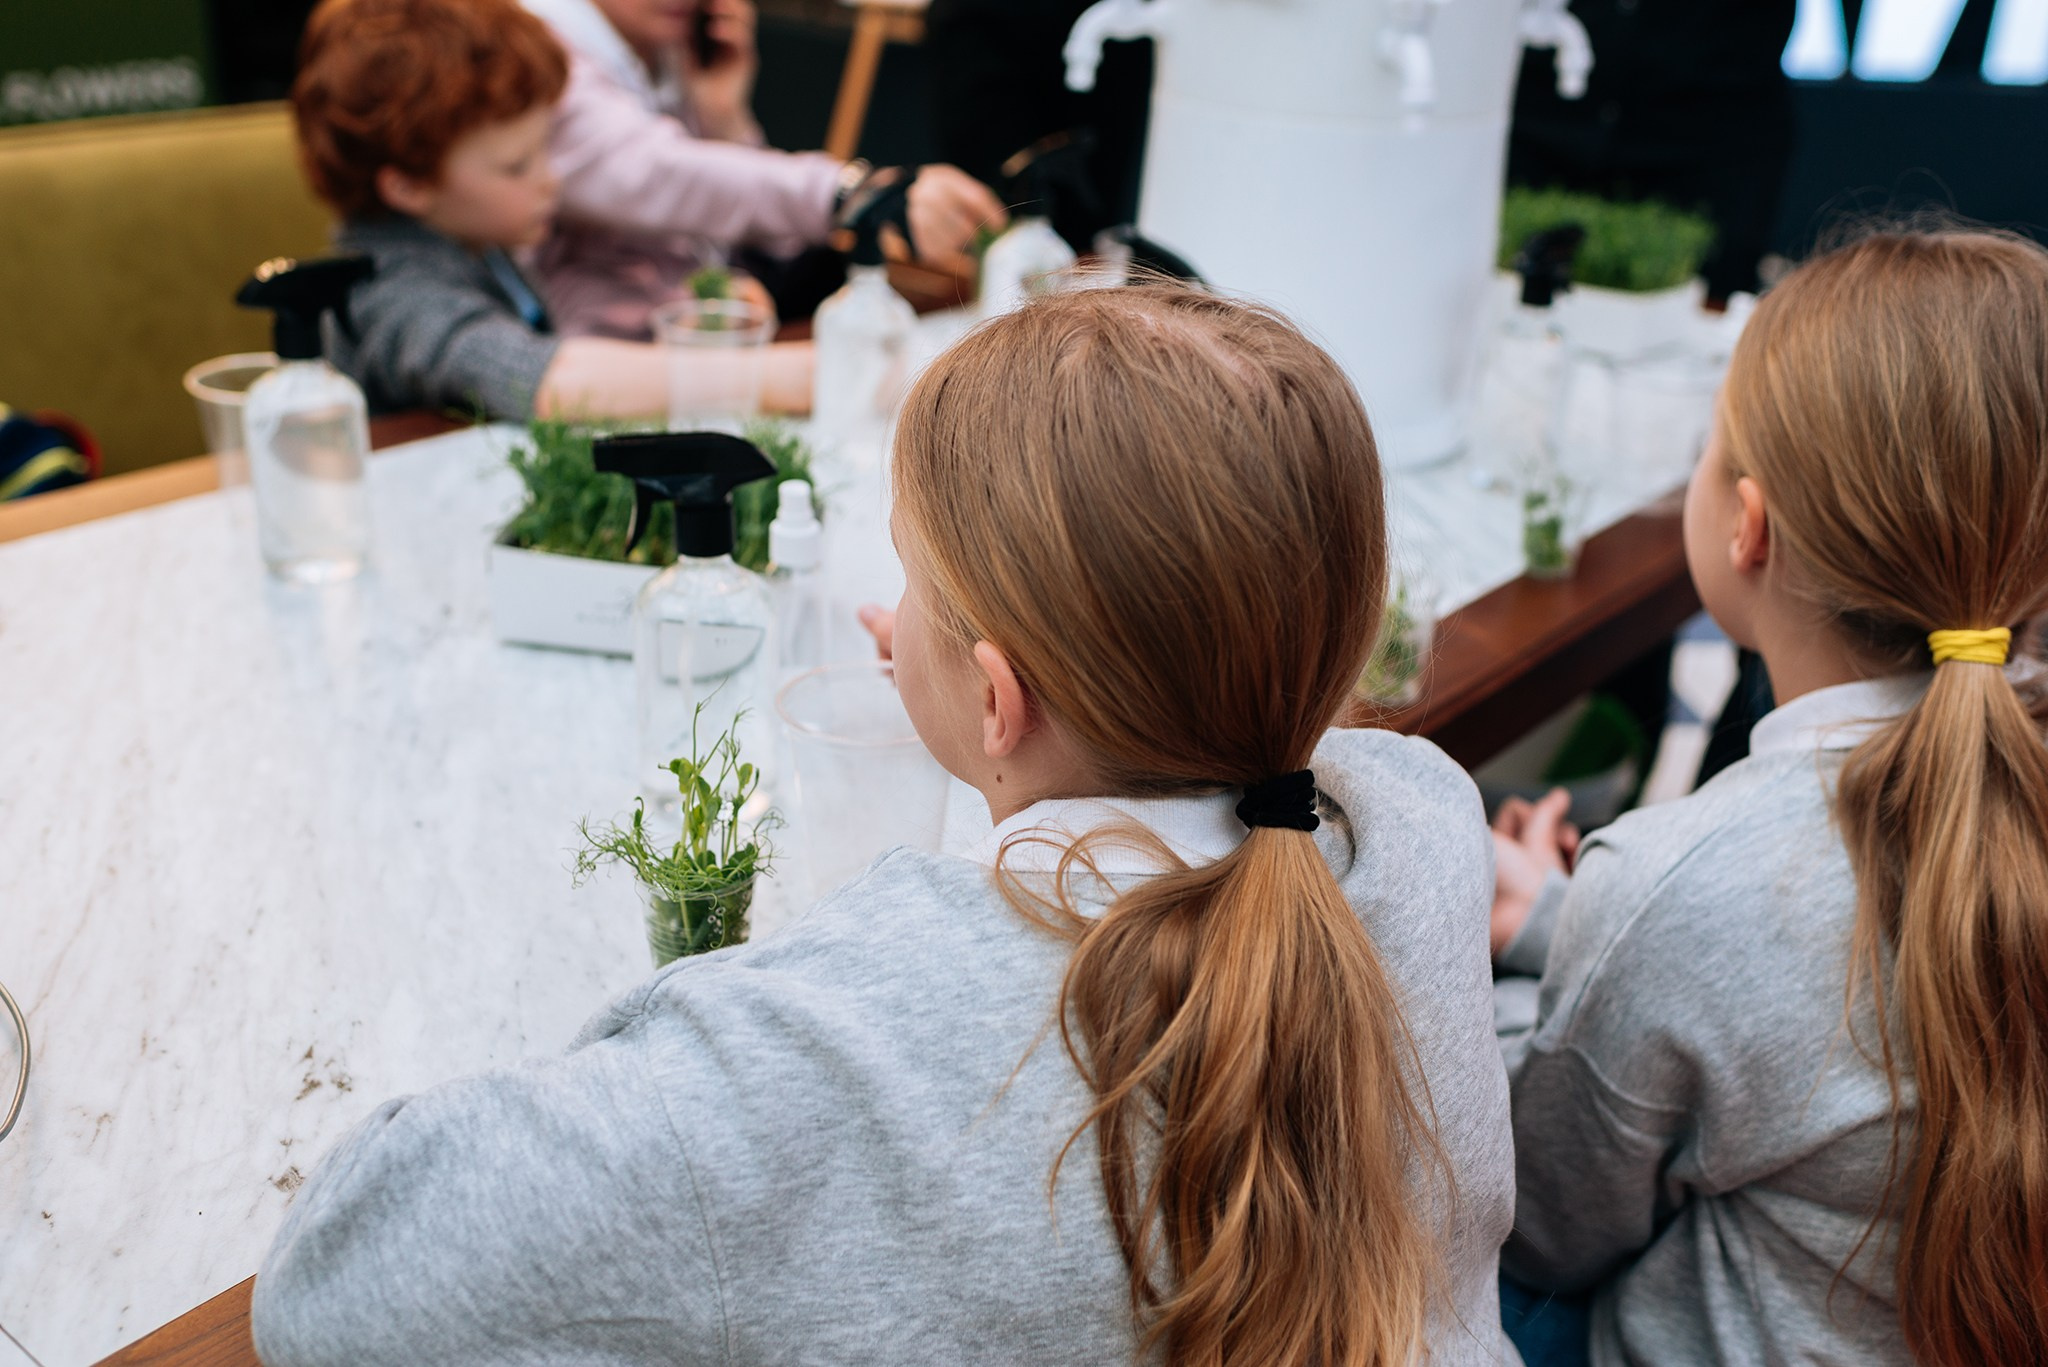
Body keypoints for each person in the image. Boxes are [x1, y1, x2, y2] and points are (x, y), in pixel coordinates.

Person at [248, 285, 1519, 1365]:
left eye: (909, 575)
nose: (892, 607)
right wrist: (988, 713)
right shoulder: (1416, 818)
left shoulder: (821, 1049)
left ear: (997, 690)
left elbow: (338, 1284)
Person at [1491, 228, 2048, 1367]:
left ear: (1746, 525)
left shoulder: (1677, 881)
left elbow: (1544, 1226)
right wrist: (1561, 926)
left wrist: (1504, 988)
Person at [290, 0, 812, 422]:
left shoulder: (479, 237)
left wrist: (697, 311)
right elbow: (540, 380)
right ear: (407, 186)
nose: (551, 180)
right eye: (517, 165)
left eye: (546, 149)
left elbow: (582, 335)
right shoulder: (389, 290)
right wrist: (768, 374)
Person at [524, 0, 1008, 338]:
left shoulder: (662, 50)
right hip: (599, 362)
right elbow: (647, 174)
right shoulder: (541, 47)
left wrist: (724, 120)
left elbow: (736, 220)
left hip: (692, 345)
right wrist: (847, 191)